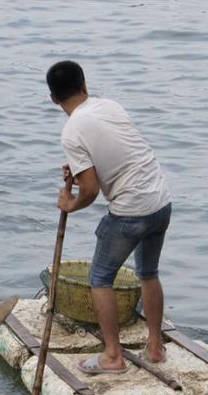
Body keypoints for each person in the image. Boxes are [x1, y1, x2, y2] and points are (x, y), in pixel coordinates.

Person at [46, 60, 172, 374]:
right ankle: (155, 347)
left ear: (53, 98)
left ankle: (113, 357)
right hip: (160, 200)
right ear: (85, 86)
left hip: (130, 212)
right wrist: (79, 170)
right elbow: (118, 156)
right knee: (148, 272)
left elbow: (90, 192)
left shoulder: (71, 131)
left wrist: (69, 203)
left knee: (100, 279)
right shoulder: (110, 106)